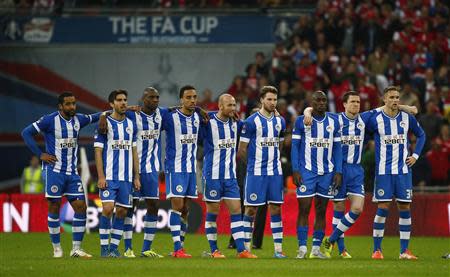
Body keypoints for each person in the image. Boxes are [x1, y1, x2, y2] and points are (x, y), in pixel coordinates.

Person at [21, 91, 100, 258]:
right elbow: (26, 133)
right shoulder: (49, 120)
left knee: (81, 207)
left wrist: (122, 109)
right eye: (68, 104)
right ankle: (57, 248)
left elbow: (97, 116)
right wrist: (39, 153)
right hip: (53, 171)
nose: (72, 106)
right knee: (54, 207)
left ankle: (76, 249)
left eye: (74, 103)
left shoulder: (78, 119)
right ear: (60, 106)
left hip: (72, 173)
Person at [366, 86, 425, 260]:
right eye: (391, 97)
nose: (395, 100)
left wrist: (415, 155)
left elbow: (421, 135)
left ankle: (404, 251)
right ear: (384, 99)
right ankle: (377, 250)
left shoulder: (407, 118)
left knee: (405, 207)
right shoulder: (375, 119)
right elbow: (362, 127)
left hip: (403, 171)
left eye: (397, 97)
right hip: (384, 171)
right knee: (383, 207)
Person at [199, 93, 257, 259]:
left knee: (237, 211)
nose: (233, 108)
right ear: (220, 106)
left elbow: (251, 126)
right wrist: (201, 110)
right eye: (229, 105)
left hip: (230, 176)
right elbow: (192, 114)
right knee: (213, 212)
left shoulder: (236, 124)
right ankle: (214, 250)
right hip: (212, 175)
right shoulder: (208, 122)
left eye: (234, 105)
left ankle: (241, 250)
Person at [291, 90, 343, 259]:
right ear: (311, 102)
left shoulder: (334, 122)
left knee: (321, 210)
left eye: (323, 100)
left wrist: (338, 171)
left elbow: (337, 149)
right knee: (304, 208)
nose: (321, 103)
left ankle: (315, 249)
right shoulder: (301, 121)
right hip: (307, 172)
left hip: (327, 173)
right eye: (318, 100)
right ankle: (301, 248)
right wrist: (295, 169)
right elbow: (295, 147)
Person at [238, 86, 287, 258]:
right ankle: (246, 249)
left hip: (275, 172)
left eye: (275, 99)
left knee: (276, 208)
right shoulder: (251, 122)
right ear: (261, 100)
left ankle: (278, 251)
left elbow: (280, 143)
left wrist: (275, 159)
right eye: (269, 99)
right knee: (251, 209)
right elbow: (241, 149)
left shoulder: (281, 121)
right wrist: (253, 165)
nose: (273, 103)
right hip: (256, 172)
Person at [94, 89, 141, 258]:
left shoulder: (131, 125)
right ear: (111, 104)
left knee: (122, 212)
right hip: (109, 176)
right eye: (119, 100)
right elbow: (98, 152)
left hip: (126, 178)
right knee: (107, 208)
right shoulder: (104, 124)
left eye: (125, 100)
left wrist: (136, 176)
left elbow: (134, 151)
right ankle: (103, 248)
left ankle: (114, 247)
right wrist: (100, 176)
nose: (123, 103)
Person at [162, 85, 202, 258]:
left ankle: (180, 247)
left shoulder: (198, 117)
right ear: (181, 100)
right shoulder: (170, 118)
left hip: (190, 169)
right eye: (188, 97)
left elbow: (218, 113)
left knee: (185, 208)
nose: (192, 100)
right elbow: (152, 115)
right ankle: (177, 248)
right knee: (177, 206)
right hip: (175, 168)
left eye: (194, 97)